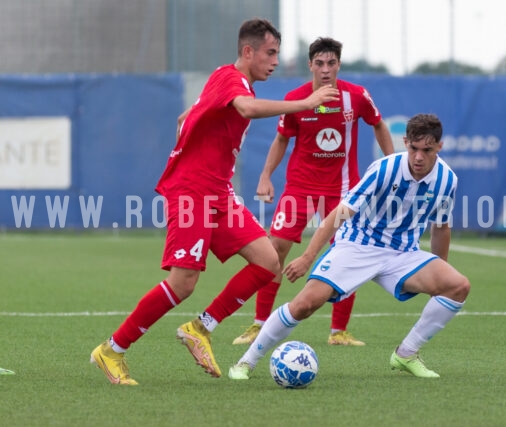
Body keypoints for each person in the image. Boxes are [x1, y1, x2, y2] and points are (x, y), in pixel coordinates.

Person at [89, 18, 339, 386]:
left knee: (268, 261)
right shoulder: (232, 80)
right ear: (247, 51)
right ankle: (112, 350)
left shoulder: (227, 81)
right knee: (183, 283)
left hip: (217, 191)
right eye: (270, 53)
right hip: (193, 190)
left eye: (277, 54)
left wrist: (192, 128)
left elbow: (186, 115)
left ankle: (200, 328)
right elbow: (246, 109)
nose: (274, 61)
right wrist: (306, 102)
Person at [228, 113, 470, 380]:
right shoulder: (384, 169)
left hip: (402, 254)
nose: (418, 157)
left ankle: (406, 353)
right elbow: (340, 213)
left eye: (427, 150)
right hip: (357, 245)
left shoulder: (447, 180)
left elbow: (441, 226)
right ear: (405, 142)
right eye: (413, 148)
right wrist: (309, 256)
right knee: (305, 305)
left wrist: (439, 272)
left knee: (457, 286)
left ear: (439, 147)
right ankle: (246, 362)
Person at [232, 37, 394, 347]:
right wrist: (266, 175)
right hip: (300, 189)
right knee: (274, 250)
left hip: (344, 190)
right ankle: (259, 324)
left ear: (338, 65)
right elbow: (281, 140)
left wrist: (389, 166)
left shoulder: (357, 96)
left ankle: (338, 331)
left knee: (348, 253)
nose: (325, 69)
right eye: (319, 63)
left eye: (331, 63)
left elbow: (379, 125)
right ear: (310, 65)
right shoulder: (296, 99)